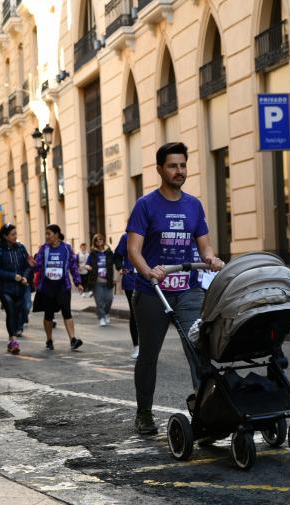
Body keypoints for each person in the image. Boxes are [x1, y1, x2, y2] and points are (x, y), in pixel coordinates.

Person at [126, 142, 225, 435]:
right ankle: (144, 412)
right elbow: (134, 249)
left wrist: (210, 258)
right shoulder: (146, 205)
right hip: (152, 291)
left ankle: (206, 414)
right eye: (172, 166)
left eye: (183, 165)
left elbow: (204, 244)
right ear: (159, 169)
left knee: (198, 350)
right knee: (148, 355)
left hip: (188, 289)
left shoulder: (194, 205)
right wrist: (148, 271)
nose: (179, 171)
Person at [32, 224, 84, 351]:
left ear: (56, 235)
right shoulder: (44, 249)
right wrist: (32, 265)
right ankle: (49, 340)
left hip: (63, 286)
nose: (47, 236)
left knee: (67, 312)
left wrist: (78, 282)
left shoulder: (66, 248)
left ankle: (73, 339)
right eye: (46, 234)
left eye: (49, 233)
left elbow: (73, 266)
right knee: (48, 314)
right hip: (47, 287)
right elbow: (37, 266)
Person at [0, 223, 32, 354]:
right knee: (11, 312)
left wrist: (25, 277)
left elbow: (27, 265)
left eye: (16, 234)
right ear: (5, 236)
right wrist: (12, 276)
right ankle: (13, 340)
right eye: (12, 234)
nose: (15, 236)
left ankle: (12, 340)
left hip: (20, 287)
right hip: (5, 288)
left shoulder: (20, 248)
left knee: (22, 311)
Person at [114, 233, 139, 358]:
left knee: (148, 314)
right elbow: (117, 255)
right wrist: (120, 267)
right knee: (135, 313)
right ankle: (137, 346)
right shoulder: (126, 237)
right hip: (131, 280)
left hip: (150, 279)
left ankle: (148, 346)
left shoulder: (153, 233)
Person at [87, 233, 115, 327]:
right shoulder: (93, 253)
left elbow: (114, 265)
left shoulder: (109, 252)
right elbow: (88, 264)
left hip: (108, 280)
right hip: (97, 281)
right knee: (99, 301)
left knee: (109, 299)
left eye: (100, 239)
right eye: (96, 240)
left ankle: (106, 313)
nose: (99, 241)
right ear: (94, 242)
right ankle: (102, 318)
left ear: (103, 240)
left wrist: (116, 278)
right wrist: (88, 267)